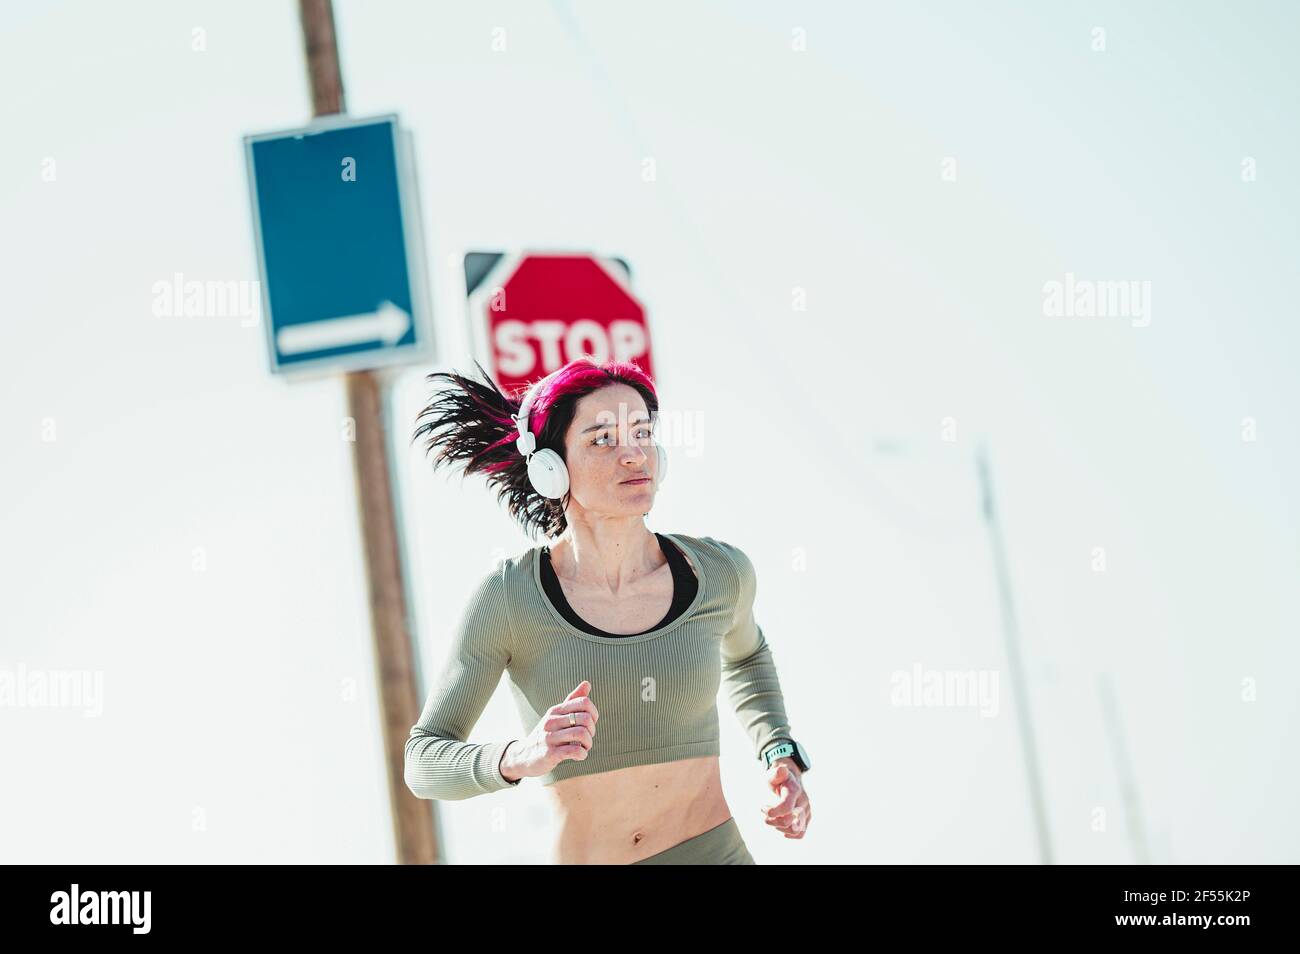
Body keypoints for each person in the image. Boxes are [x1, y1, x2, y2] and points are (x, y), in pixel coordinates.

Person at [404, 356, 811, 864]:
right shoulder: (510, 597)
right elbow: (423, 759)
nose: (633, 455)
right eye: (603, 439)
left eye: (642, 434)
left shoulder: (717, 573)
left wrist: (779, 753)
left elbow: (748, 656)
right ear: (550, 468)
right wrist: (519, 757)